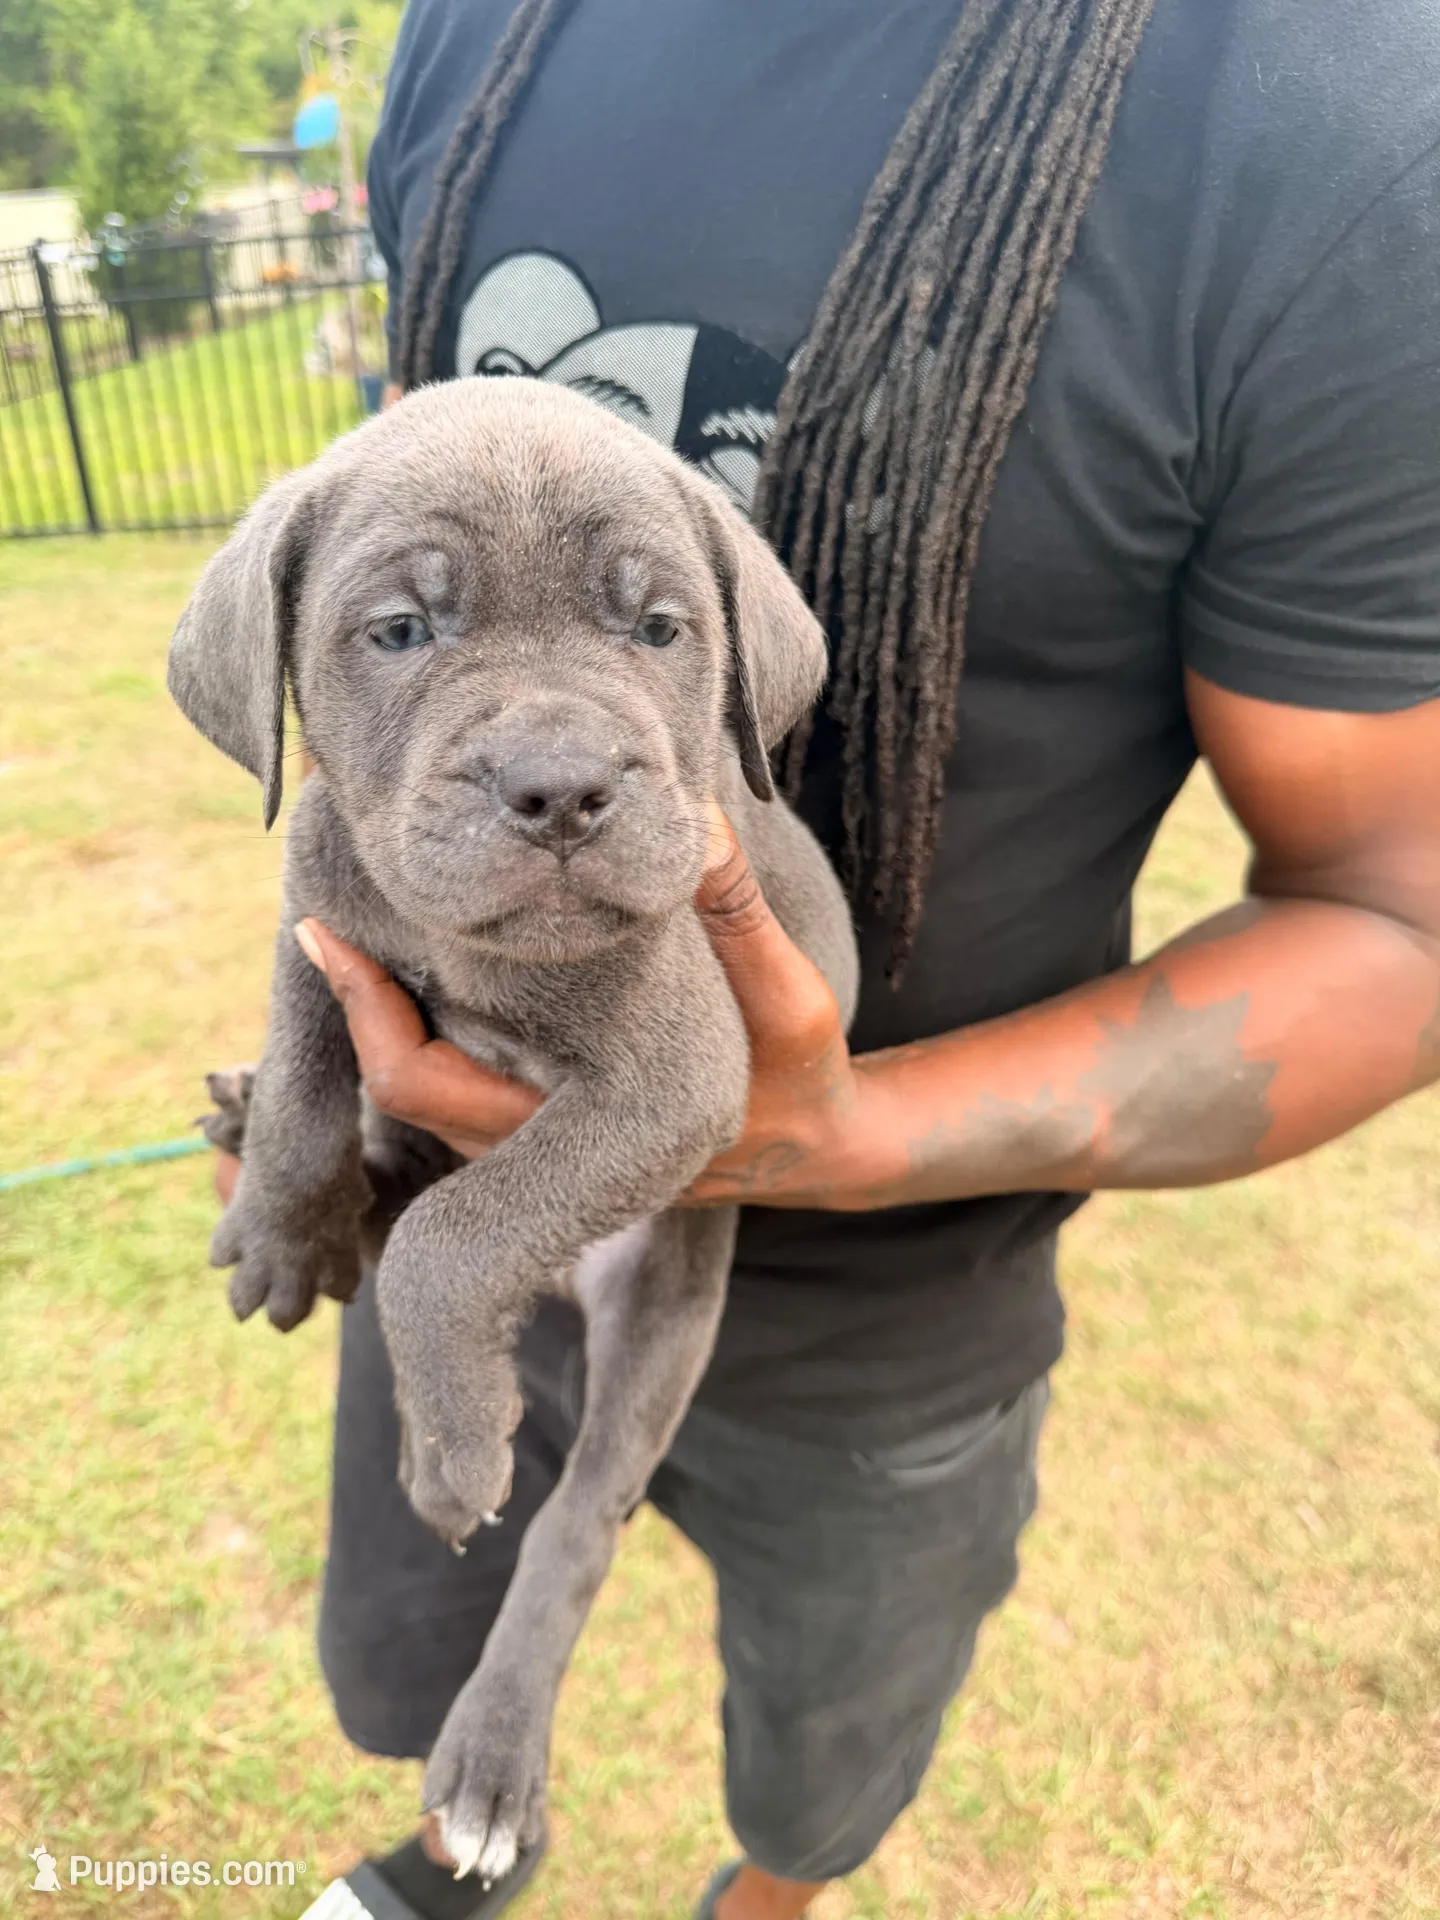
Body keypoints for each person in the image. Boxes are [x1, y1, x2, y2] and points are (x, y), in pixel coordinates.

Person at [240, 4, 1440, 1917]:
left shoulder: (1341, 120)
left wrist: (847, 1135)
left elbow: (1401, 912)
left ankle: (774, 1901)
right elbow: (414, 522)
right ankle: (449, 1864)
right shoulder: (477, 24)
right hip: (456, 1207)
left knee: (819, 1766)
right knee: (412, 1660)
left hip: (901, 1300)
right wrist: (335, 1142)